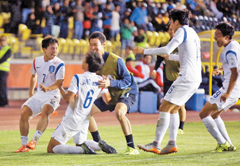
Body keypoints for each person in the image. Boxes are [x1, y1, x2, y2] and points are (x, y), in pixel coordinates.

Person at [133, 9, 201, 155]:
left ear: (176, 21)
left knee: (164, 106)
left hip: (186, 77)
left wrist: (144, 51)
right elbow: (186, 57)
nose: (170, 24)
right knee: (174, 109)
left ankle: (156, 144)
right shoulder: (193, 33)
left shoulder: (181, 31)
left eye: (171, 21)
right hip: (195, 78)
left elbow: (166, 49)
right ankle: (172, 143)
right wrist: (170, 58)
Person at [75, 31, 139, 155]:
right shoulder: (92, 61)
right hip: (109, 94)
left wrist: (111, 83)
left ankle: (132, 147)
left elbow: (128, 80)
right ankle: (99, 144)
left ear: (104, 45)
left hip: (126, 91)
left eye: (95, 44)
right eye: (90, 45)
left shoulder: (116, 60)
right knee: (86, 113)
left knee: (119, 112)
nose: (93, 47)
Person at [47, 52, 117, 154]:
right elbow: (107, 100)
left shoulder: (78, 78)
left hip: (73, 117)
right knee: (80, 142)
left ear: (87, 65)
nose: (82, 61)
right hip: (85, 118)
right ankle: (99, 145)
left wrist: (60, 86)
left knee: (51, 148)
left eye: (84, 60)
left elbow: (68, 99)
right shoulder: (101, 80)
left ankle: (82, 151)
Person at [15, 36, 65, 153]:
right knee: (24, 113)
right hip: (40, 94)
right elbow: (33, 76)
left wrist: (48, 88)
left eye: (56, 48)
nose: (55, 51)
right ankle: (23, 146)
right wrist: (31, 92)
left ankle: (34, 140)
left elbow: (59, 83)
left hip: (53, 95)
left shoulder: (60, 64)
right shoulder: (36, 61)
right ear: (44, 49)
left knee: (46, 110)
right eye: (52, 48)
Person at [199, 22, 239, 152]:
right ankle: (229, 144)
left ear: (227, 36)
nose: (215, 38)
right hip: (235, 88)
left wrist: (227, 93)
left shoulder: (231, 51)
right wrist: (222, 69)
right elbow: (235, 66)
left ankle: (223, 143)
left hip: (230, 89)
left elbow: (235, 73)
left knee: (203, 113)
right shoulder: (234, 45)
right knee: (215, 115)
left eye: (218, 35)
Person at [153, 25, 186, 134]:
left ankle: (181, 127)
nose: (172, 32)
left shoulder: (182, 45)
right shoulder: (163, 45)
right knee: (168, 102)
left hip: (180, 76)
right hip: (167, 76)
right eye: (170, 30)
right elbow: (158, 59)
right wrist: (154, 69)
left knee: (180, 104)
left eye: (174, 30)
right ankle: (170, 125)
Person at [0, 35, 12, 107]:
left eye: (3, 40)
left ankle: (4, 102)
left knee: (2, 86)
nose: (2, 41)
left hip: (4, 70)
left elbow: (4, 58)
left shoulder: (8, 49)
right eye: (1, 40)